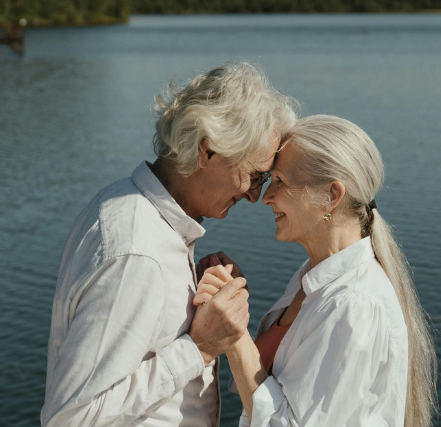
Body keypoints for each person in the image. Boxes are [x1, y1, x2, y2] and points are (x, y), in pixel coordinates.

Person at [41, 62, 298, 427]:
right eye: (255, 177)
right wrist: (199, 347)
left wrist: (189, 284)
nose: (255, 196)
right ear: (207, 152)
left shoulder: (122, 202)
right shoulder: (139, 253)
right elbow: (71, 418)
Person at [194, 115, 437, 427]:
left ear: (332, 196)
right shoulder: (312, 279)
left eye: (280, 181)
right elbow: (267, 389)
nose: (265, 197)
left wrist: (234, 333)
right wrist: (232, 300)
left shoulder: (353, 304)